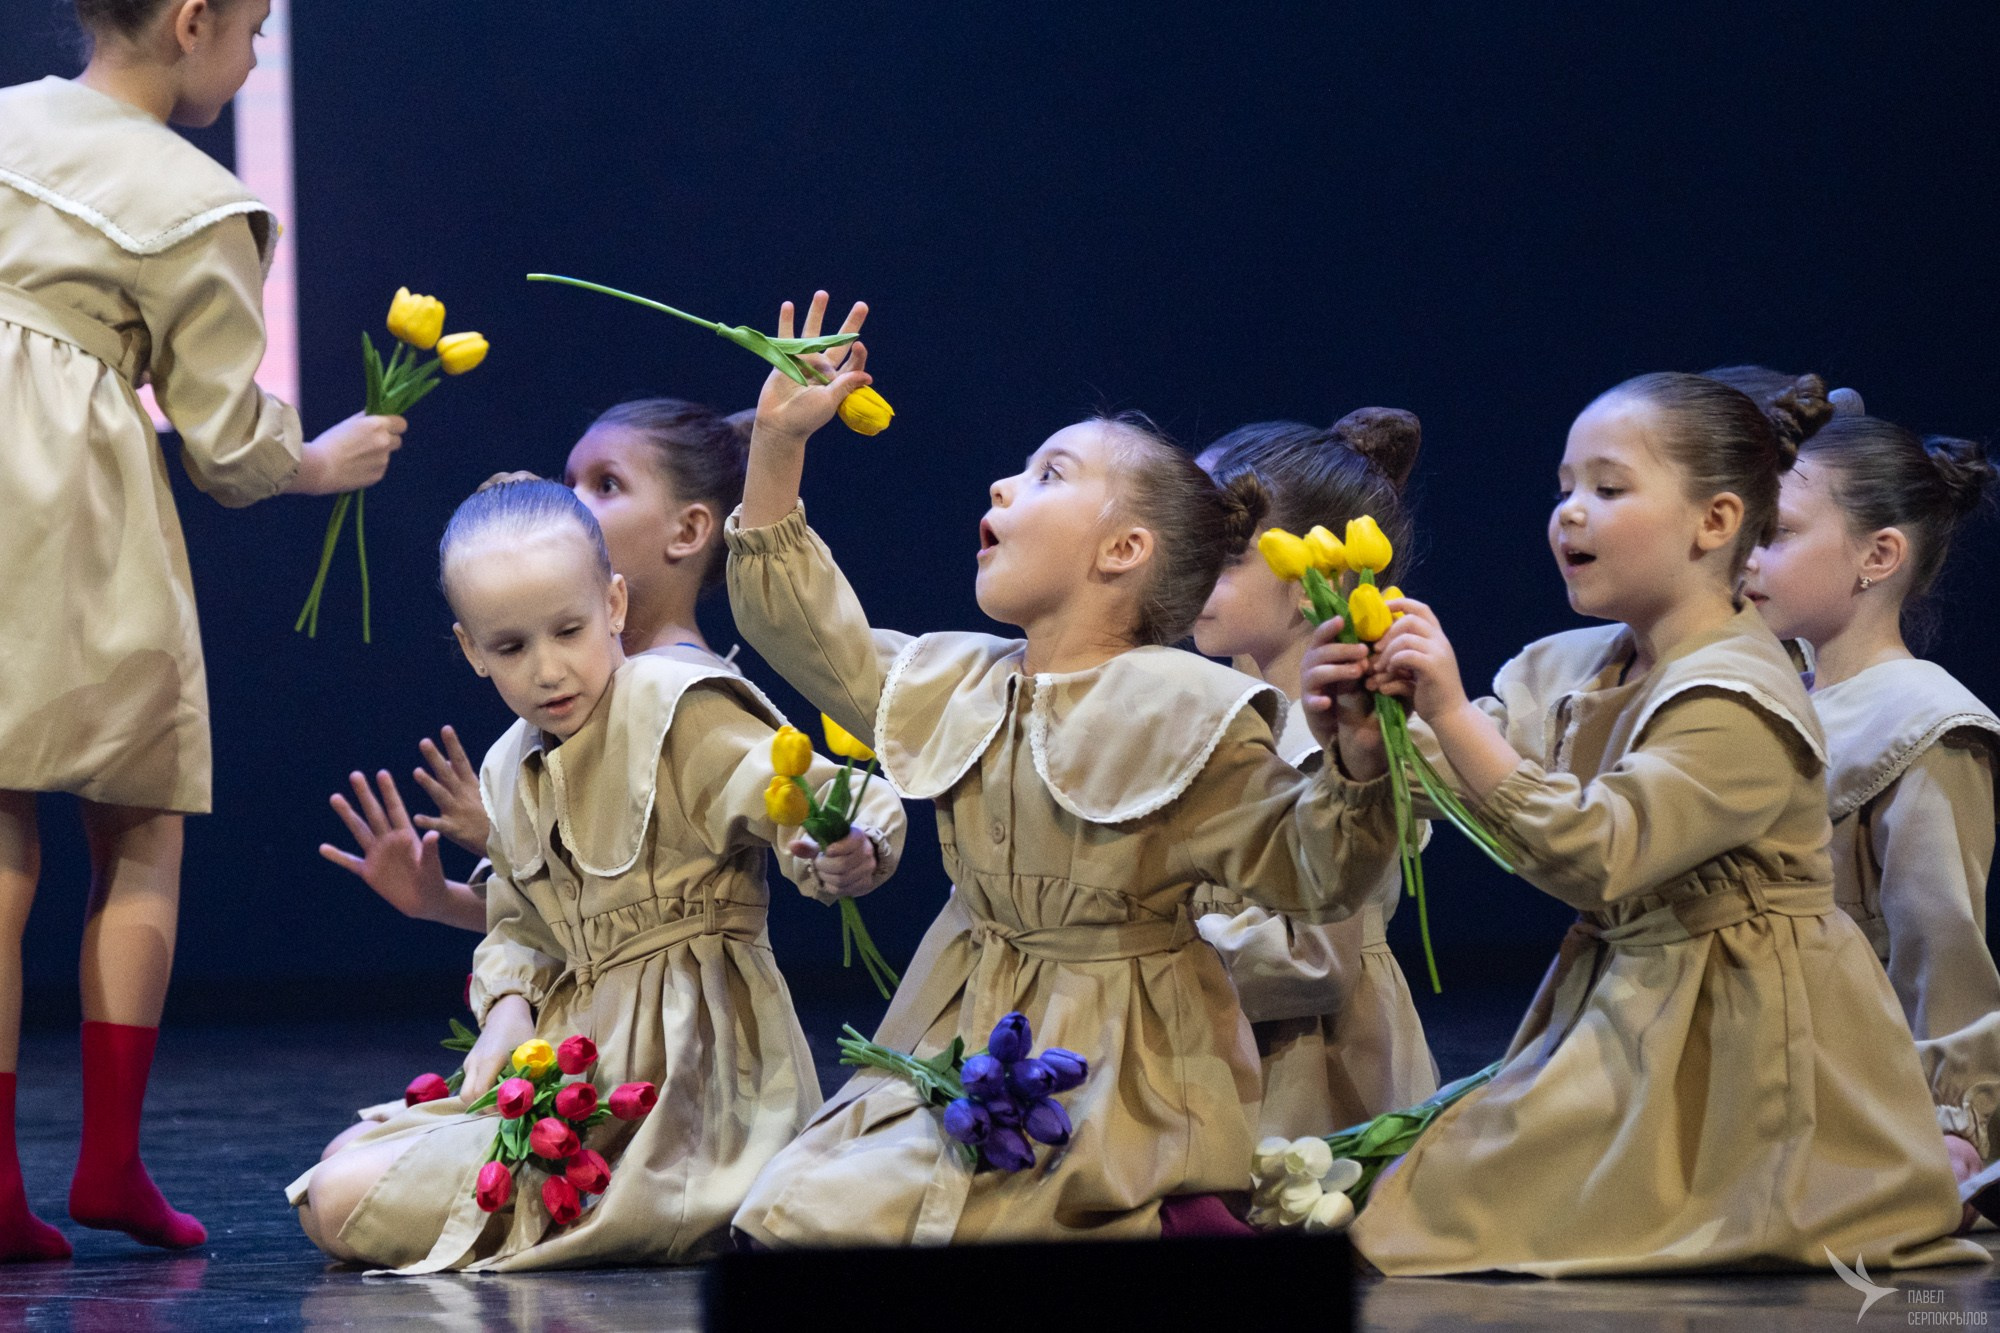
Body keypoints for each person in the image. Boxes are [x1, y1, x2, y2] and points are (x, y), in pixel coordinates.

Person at [724, 293, 1398, 1244]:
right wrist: (779, 443)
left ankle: (1169, 1205)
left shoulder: (1182, 710)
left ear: (1124, 550)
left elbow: (1317, 871)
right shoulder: (959, 680)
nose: (1003, 486)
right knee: (785, 1206)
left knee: (851, 1219)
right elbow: (797, 625)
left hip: (1116, 1057)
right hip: (960, 1027)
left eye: (1048, 474)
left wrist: (1359, 767)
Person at [1339, 371, 1981, 1274]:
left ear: (1715, 523)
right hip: (1631, 1003)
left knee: (1441, 1214)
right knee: (1419, 1193)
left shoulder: (1741, 691)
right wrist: (1382, 728)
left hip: (1739, 1049)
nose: (1569, 513)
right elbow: (1487, 769)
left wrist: (1442, 716)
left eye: (1607, 489)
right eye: (1564, 487)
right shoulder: (1579, 663)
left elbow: (1598, 852)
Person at [0, 0, 403, 1259]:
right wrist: (321, 461)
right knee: (137, 820)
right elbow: (226, 446)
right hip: (66, 510)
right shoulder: (196, 202)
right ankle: (109, 1163)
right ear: (190, 24)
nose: (257, 53)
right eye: (253, 28)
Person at [288, 482, 902, 1270]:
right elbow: (520, 924)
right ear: (472, 650)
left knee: (339, 1198)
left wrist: (848, 844)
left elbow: (825, 801)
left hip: (686, 1088)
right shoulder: (510, 762)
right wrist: (509, 1013)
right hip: (580, 1060)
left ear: (614, 604)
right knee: (340, 1160)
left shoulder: (669, 703)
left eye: (569, 630)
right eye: (510, 647)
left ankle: (683, 1201)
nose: (548, 669)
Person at [1742, 409, 2000, 1191]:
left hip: (1841, 1084)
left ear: (1878, 554)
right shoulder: (1763, 688)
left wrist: (1955, 1122)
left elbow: (1940, 947)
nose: (1741, 557)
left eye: (1775, 533)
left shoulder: (1923, 721)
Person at [1190, 411, 1437, 1136]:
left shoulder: (1353, 742)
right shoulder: (1220, 718)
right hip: (1218, 1045)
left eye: (1226, 555)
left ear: (1317, 580)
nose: (1191, 570)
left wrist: (1147, 960)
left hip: (1312, 1066)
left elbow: (1314, 961)